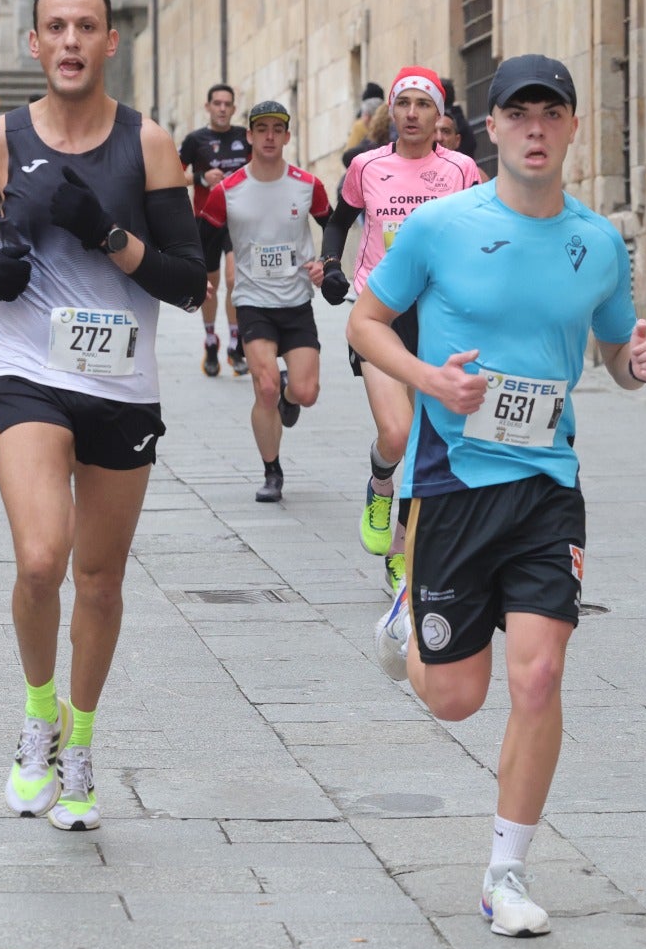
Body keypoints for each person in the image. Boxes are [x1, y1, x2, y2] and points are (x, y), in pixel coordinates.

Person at [348, 54, 646, 939]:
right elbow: (364, 323)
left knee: (540, 675)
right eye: (518, 114)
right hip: (452, 479)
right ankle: (409, 611)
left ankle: (507, 871)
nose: (535, 128)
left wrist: (635, 368)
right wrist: (428, 382)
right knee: (455, 697)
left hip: (545, 485)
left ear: (571, 127)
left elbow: (612, 352)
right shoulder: (444, 227)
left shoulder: (599, 243)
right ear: (490, 129)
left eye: (551, 113)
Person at [0, 0, 206, 832]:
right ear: (34, 43)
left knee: (102, 582)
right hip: (28, 371)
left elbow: (189, 283)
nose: (72, 41)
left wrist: (108, 236)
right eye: (57, 27)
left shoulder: (149, 143)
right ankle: (38, 716)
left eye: (88, 26)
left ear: (111, 42)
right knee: (43, 560)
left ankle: (80, 744)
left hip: (122, 386)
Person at [320, 66, 482, 594]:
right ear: (392, 110)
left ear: (440, 116)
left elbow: (485, 231)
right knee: (397, 434)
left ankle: (400, 551)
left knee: (429, 441)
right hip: (380, 314)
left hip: (440, 316)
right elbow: (339, 220)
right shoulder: (366, 166)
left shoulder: (461, 170)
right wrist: (332, 267)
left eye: (423, 104)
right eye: (404, 103)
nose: (412, 113)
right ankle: (379, 482)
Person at [198, 101, 332, 502]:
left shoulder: (308, 185)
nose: (270, 135)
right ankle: (272, 471)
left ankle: (291, 398)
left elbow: (334, 227)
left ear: (287, 136)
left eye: (278, 128)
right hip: (253, 301)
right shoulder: (228, 191)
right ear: (250, 137)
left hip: (296, 302)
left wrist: (327, 263)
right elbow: (203, 242)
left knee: (305, 392)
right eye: (263, 129)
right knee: (266, 387)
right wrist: (196, 279)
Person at [178, 83, 252, 376]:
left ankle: (236, 344)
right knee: (209, 287)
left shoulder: (244, 138)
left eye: (227, 104)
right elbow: (171, 173)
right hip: (205, 220)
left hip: (238, 220)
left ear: (233, 109)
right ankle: (211, 341)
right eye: (217, 103)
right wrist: (201, 177)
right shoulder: (195, 140)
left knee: (235, 279)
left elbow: (260, 168)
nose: (222, 108)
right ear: (208, 107)